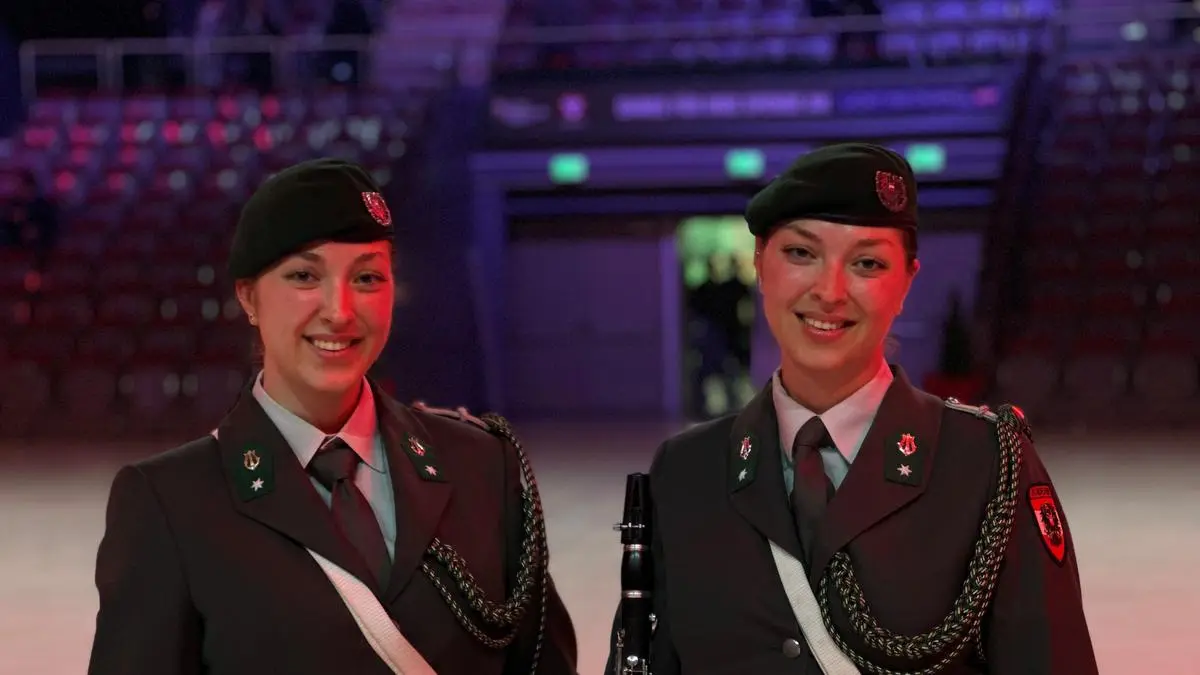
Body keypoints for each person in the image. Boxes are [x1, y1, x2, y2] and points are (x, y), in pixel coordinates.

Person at [606, 143, 1098, 674]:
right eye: (801, 254)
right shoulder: (687, 471)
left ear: (907, 282)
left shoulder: (987, 468)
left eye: (867, 263)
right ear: (759, 264)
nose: (830, 291)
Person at [88, 158, 579, 675]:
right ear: (248, 297)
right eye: (304, 276)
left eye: (367, 277)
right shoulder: (170, 502)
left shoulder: (482, 464)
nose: (340, 311)